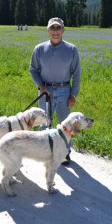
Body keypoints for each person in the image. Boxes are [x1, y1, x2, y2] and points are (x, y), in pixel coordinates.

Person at [29, 17, 81, 165]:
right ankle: (42, 151)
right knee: (44, 121)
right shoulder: (39, 49)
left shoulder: (72, 49)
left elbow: (76, 74)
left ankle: (64, 154)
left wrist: (73, 95)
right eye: (53, 28)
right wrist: (40, 86)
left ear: (63, 30)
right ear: (48, 31)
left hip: (65, 90)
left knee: (66, 125)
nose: (55, 31)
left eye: (58, 28)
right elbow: (33, 70)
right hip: (45, 91)